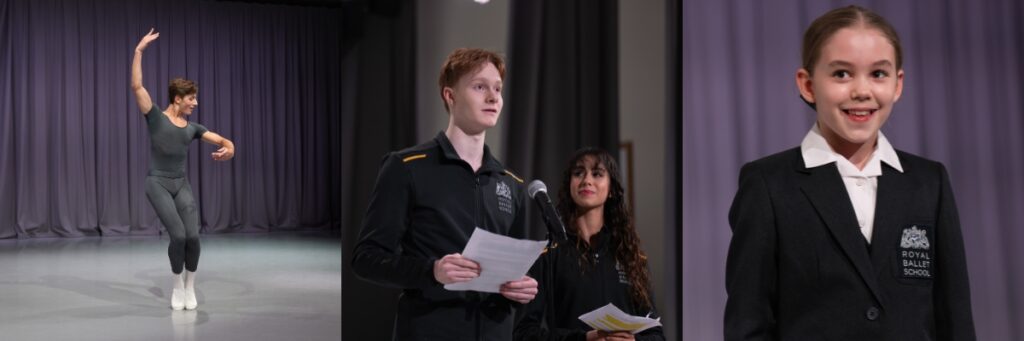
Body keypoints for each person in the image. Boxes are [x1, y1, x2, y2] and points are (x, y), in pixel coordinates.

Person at [724, 5, 975, 340]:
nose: (861, 90)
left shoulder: (929, 182)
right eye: (841, 74)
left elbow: (954, 319)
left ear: (898, 84)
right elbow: (748, 323)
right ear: (808, 84)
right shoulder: (769, 184)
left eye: (878, 74)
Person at [351, 48, 538, 341]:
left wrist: (522, 289)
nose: (493, 97)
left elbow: (517, 271)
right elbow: (366, 258)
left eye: (498, 89)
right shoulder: (406, 167)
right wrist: (433, 271)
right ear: (450, 96)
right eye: (480, 87)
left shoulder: (511, 184)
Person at [131, 28, 235, 311]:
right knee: (177, 235)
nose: (196, 103)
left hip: (181, 184)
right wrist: (139, 51)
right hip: (158, 184)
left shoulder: (192, 129)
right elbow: (138, 87)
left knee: (193, 237)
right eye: (192, 98)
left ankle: (190, 286)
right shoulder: (155, 118)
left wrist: (230, 147)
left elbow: (221, 138)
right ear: (178, 98)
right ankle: (177, 286)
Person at [515, 148, 665, 341]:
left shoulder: (631, 256)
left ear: (611, 189)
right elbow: (524, 333)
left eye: (597, 174)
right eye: (578, 173)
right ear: (570, 184)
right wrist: (584, 338)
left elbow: (657, 335)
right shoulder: (548, 254)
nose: (586, 180)